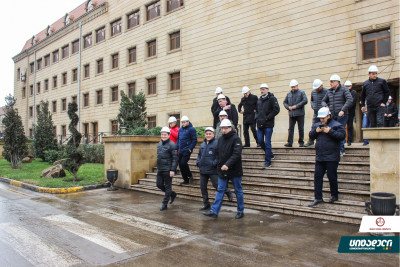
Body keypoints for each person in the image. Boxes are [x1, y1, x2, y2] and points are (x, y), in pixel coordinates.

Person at [203, 119, 244, 219]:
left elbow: (236, 154)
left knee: (238, 190)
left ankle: (240, 211)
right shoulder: (220, 139)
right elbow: (218, 153)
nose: (224, 130)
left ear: (230, 128)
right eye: (222, 128)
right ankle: (214, 211)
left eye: (225, 128)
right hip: (222, 170)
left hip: (234, 170)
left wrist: (227, 164)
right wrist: (218, 164)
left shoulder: (236, 139)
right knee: (220, 190)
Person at [308, 107, 346, 207]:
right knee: (317, 177)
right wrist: (316, 131)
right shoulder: (317, 125)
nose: (321, 120)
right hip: (320, 156)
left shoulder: (337, 125)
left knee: (332, 177)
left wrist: (330, 132)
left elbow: (342, 136)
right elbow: (311, 136)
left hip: (332, 157)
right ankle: (318, 198)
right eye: (320, 118)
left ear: (328, 116)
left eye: (323, 118)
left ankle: (334, 195)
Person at [196, 127, 233, 211]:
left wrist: (214, 163)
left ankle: (227, 191)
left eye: (210, 134)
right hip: (203, 169)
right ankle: (206, 204)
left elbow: (219, 155)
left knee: (217, 186)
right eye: (207, 134)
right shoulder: (202, 144)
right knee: (203, 188)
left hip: (212, 170)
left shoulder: (217, 143)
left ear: (213, 134)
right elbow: (199, 155)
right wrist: (198, 162)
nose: (208, 135)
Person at [321, 74, 352, 157]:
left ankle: (341, 150)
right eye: (330, 82)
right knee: (332, 131)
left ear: (337, 82)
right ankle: (335, 149)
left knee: (340, 131)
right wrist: (326, 106)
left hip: (342, 115)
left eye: (332, 81)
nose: (330, 83)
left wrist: (343, 110)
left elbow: (350, 100)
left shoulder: (344, 89)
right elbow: (323, 101)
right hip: (332, 115)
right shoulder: (329, 91)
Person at [255, 83, 280, 168]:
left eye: (263, 89)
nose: (262, 91)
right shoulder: (259, 100)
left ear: (267, 90)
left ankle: (267, 161)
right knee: (260, 140)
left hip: (268, 124)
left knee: (267, 142)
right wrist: (257, 118)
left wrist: (268, 117)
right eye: (261, 89)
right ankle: (270, 154)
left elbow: (276, 109)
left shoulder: (272, 98)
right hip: (260, 124)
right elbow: (257, 111)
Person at [156, 127, 178, 211]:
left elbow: (175, 159)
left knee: (168, 187)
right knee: (159, 185)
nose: (163, 136)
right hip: (160, 169)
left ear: (169, 135)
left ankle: (164, 203)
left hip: (168, 169)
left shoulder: (172, 145)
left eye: (165, 134)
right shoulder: (159, 144)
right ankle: (172, 194)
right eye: (162, 134)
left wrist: (172, 170)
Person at [283, 79, 308, 147]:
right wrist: (288, 107)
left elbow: (305, 101)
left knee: (301, 128)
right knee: (290, 128)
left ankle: (301, 142)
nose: (293, 88)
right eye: (292, 87)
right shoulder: (288, 94)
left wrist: (296, 106)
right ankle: (290, 142)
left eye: (294, 87)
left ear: (297, 86)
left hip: (300, 114)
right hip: (291, 114)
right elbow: (284, 102)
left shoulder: (301, 92)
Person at [305, 79, 327, 147]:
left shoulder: (326, 91)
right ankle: (311, 141)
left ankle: (322, 142)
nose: (316, 89)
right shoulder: (313, 92)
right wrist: (313, 106)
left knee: (324, 127)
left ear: (321, 85)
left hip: (324, 114)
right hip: (316, 113)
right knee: (313, 127)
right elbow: (311, 101)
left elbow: (328, 100)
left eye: (318, 88)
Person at [177, 116, 197, 185]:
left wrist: (190, 148)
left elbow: (194, 140)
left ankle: (189, 175)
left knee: (183, 163)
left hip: (187, 150)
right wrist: (177, 147)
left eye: (185, 122)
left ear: (188, 122)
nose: (183, 123)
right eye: (182, 122)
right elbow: (178, 139)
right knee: (180, 165)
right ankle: (185, 179)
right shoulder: (180, 129)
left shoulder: (192, 129)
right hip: (181, 150)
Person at [344, 80, 357, 146]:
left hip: (350, 112)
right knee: (342, 126)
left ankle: (349, 140)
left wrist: (345, 107)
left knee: (350, 126)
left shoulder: (353, 92)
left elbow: (353, 102)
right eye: (346, 86)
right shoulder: (343, 92)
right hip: (344, 111)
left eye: (348, 86)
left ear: (351, 86)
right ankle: (343, 140)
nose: (347, 88)